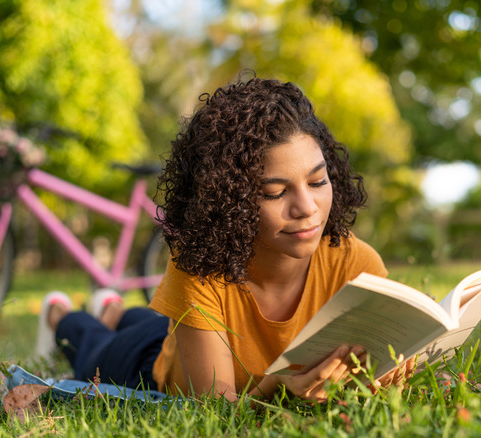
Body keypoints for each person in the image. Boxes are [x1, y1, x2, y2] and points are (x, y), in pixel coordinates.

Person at [35, 75, 415, 402]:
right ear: (229, 199)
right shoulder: (199, 264)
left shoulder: (356, 263)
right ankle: (58, 314)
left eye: (318, 182)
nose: (307, 208)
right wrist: (278, 387)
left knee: (144, 319)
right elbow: (216, 411)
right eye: (275, 192)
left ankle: (113, 309)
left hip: (186, 327)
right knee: (91, 348)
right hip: (150, 363)